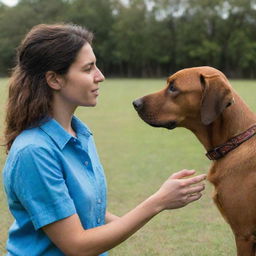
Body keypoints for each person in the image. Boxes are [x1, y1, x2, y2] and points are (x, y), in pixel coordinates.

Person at [2, 23, 206, 256]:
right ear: (55, 79)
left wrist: (130, 220)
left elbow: (86, 211)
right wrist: (157, 202)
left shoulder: (80, 134)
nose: (101, 76)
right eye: (88, 69)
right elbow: (76, 245)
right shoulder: (34, 152)